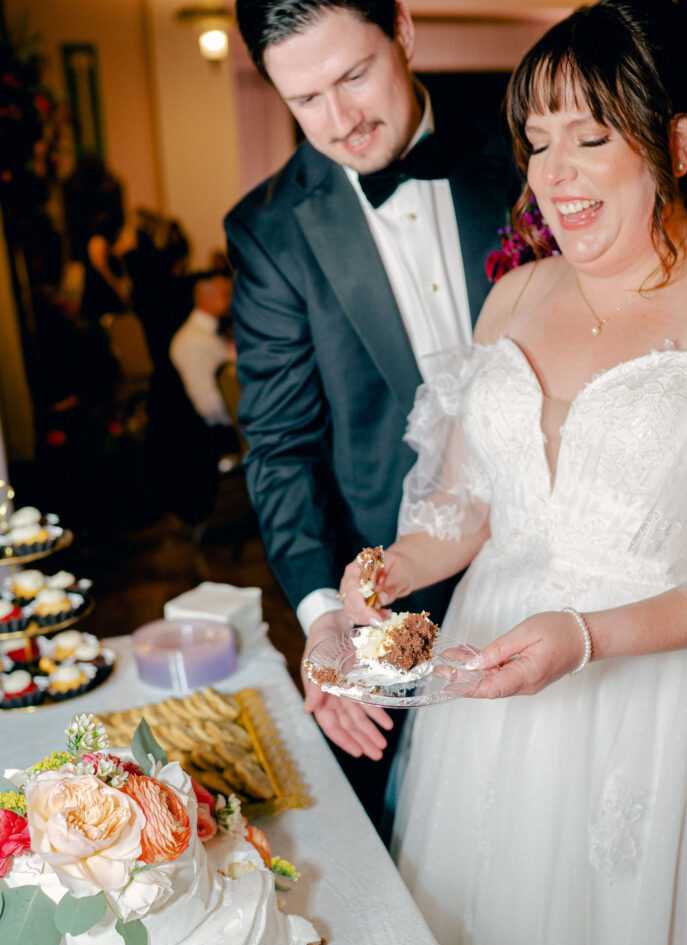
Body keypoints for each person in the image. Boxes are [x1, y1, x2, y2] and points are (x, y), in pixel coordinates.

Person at [336, 0, 687, 945]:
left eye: (588, 137)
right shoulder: (515, 297)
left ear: (676, 139)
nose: (554, 176)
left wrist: (586, 636)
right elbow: (468, 509)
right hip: (492, 704)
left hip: (671, 712)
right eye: (536, 142)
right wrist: (385, 572)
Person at [225, 0, 519, 827]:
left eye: (354, 75)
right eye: (306, 100)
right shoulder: (268, 232)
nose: (342, 121)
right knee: (408, 816)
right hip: (386, 595)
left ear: (404, 31)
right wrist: (324, 624)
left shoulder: (525, 154)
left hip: (551, 552)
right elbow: (281, 449)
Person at [170, 271, 236, 428]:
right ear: (205, 300)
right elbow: (209, 407)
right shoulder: (193, 340)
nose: (232, 301)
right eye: (226, 295)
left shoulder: (212, 331)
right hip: (216, 435)